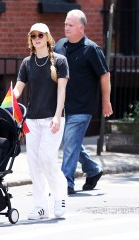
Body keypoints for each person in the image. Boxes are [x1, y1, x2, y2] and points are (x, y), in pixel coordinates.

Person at [54, 9, 113, 194]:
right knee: (71, 142)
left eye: (70, 25)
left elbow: (104, 76)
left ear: (81, 28)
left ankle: (66, 183)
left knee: (70, 143)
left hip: (82, 107)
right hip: (63, 107)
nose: (66, 28)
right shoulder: (59, 46)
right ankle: (93, 170)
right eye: (65, 24)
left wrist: (106, 101)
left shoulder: (92, 49)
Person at [13, 23, 69, 220]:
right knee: (34, 163)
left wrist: (56, 115)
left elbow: (61, 90)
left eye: (40, 35)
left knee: (47, 159)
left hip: (52, 119)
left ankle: (60, 196)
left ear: (47, 37)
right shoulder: (27, 63)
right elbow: (19, 88)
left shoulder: (60, 61)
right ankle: (40, 206)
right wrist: (13, 96)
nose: (37, 38)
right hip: (33, 121)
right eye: (33, 36)